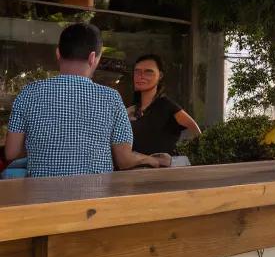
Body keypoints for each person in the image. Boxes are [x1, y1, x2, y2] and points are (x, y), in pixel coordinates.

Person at [3, 23, 172, 178]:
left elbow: (10, 152)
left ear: (58, 53)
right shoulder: (111, 98)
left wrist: (43, 147)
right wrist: (150, 160)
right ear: (93, 58)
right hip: (94, 204)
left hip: (41, 204)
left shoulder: (28, 93)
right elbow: (124, 159)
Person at [128, 54, 201, 160]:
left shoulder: (167, 106)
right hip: (133, 171)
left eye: (148, 72)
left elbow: (195, 130)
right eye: (137, 71)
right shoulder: (131, 110)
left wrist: (184, 158)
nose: (141, 76)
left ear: (160, 76)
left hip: (162, 173)